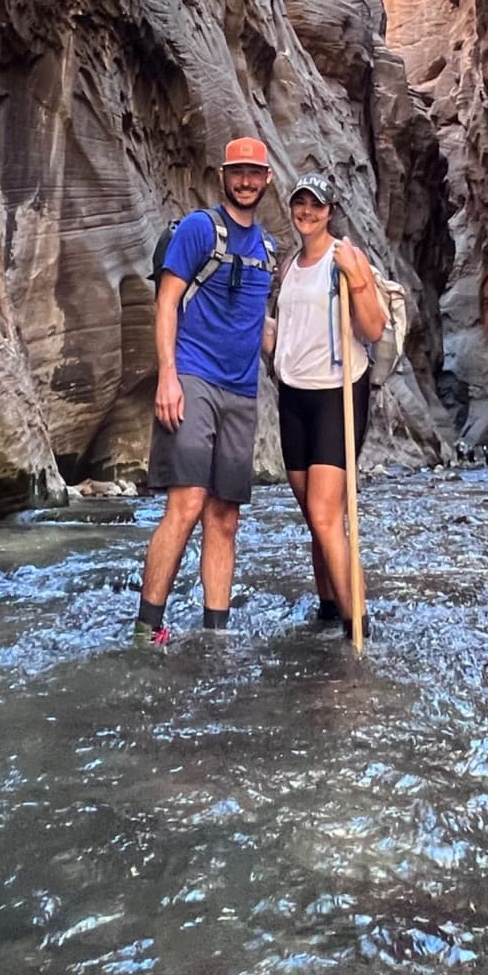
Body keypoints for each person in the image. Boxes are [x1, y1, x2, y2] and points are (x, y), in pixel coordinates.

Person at [134, 137, 277, 644]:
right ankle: (148, 626)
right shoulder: (199, 229)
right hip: (193, 379)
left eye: (254, 173)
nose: (245, 181)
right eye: (238, 172)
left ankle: (216, 633)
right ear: (224, 174)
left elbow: (262, 329)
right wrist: (167, 376)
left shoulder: (267, 251)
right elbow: (167, 302)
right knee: (187, 504)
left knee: (225, 518)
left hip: (241, 396)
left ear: (266, 180)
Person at [272, 171, 387, 635]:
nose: (307, 211)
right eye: (301, 203)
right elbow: (285, 333)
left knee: (324, 513)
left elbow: (374, 329)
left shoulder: (345, 257)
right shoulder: (287, 266)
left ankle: (355, 619)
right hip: (293, 394)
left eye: (316, 205)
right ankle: (326, 601)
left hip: (336, 394)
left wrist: (357, 284)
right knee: (314, 514)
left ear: (330, 211)